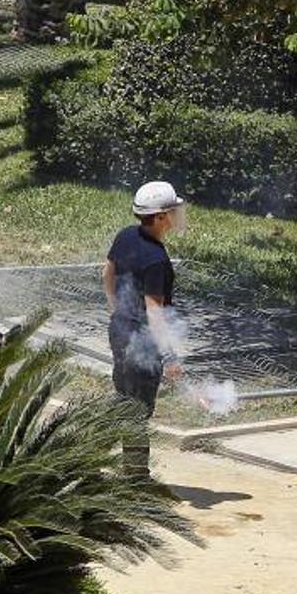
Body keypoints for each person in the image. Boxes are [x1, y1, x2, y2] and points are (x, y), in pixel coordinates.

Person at [103, 181, 187, 478]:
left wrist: (117, 313)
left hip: (119, 332)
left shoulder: (125, 235)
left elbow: (108, 274)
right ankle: (135, 478)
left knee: (124, 400)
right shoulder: (156, 259)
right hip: (142, 343)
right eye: (173, 210)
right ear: (162, 215)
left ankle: (94, 456)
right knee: (135, 411)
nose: (178, 215)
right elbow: (155, 311)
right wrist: (170, 356)